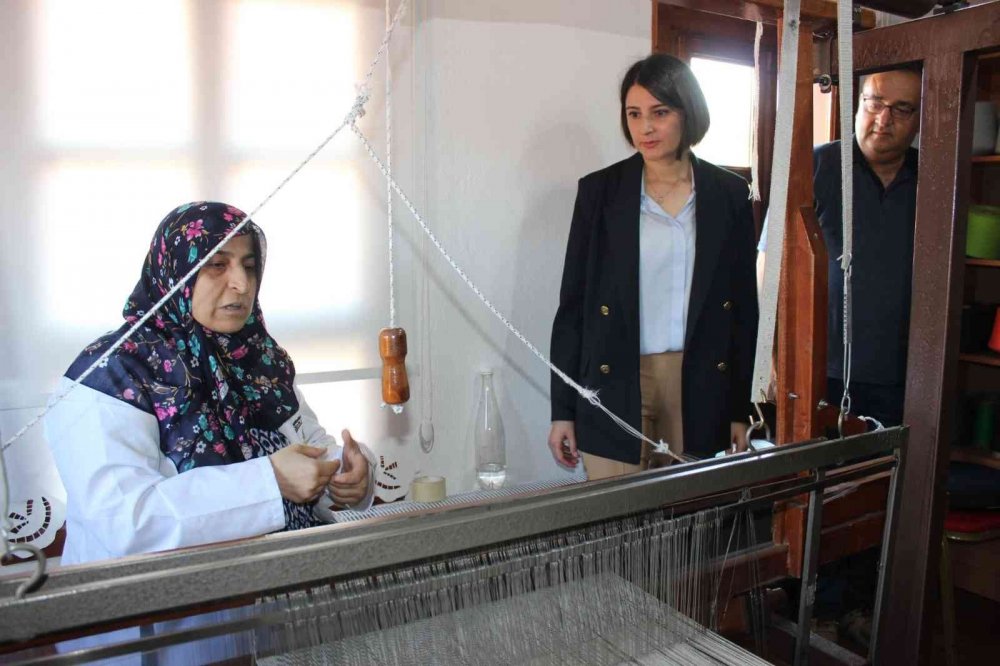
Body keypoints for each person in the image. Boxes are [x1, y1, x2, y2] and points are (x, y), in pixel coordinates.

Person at [44, 202, 374, 565]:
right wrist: (270, 480)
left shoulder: (258, 361)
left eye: (249, 266)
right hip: (159, 612)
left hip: (271, 593)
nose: (242, 283)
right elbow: (126, 522)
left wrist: (346, 474)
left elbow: (309, 445)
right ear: (175, 272)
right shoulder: (110, 375)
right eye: (217, 265)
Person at [547, 54, 759, 480]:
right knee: (617, 525)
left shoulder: (729, 194)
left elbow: (743, 314)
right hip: (615, 377)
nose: (645, 127)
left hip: (698, 378)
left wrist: (740, 408)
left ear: (688, 113)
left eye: (659, 113)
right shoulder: (599, 192)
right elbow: (573, 308)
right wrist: (563, 410)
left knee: (689, 522)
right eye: (634, 114)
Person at [756, 67, 921, 427]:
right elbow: (769, 263)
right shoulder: (814, 166)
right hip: (818, 369)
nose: (884, 119)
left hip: (904, 375)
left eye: (902, 108)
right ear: (859, 104)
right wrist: (771, 357)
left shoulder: (931, 177)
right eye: (875, 102)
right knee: (817, 477)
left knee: (885, 477)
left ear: (919, 118)